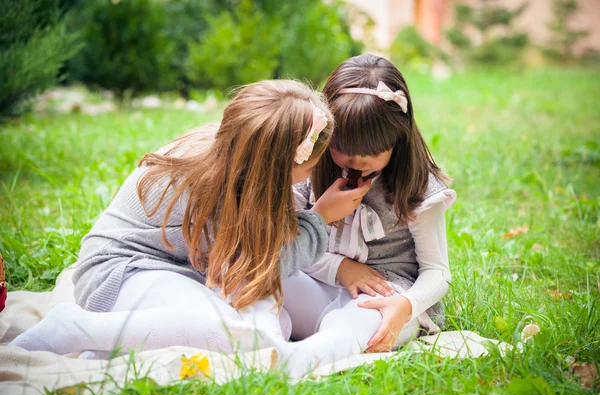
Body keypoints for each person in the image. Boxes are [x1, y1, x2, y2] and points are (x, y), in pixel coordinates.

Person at [11, 80, 372, 377]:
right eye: (305, 171)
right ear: (274, 169)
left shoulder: (235, 157)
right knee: (234, 332)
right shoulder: (215, 191)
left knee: (272, 324)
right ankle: (74, 329)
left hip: (182, 270)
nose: (307, 178)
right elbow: (257, 273)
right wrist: (319, 217)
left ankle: (112, 346)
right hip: (122, 271)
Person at [283, 54, 457, 358]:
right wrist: (339, 266)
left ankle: (299, 359)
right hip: (316, 285)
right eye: (344, 150)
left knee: (358, 328)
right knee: (263, 279)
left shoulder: (416, 188)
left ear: (397, 139)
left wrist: (404, 306)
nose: (358, 162)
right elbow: (286, 248)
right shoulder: (308, 173)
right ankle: (261, 337)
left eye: (374, 152)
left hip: (386, 299)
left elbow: (437, 271)